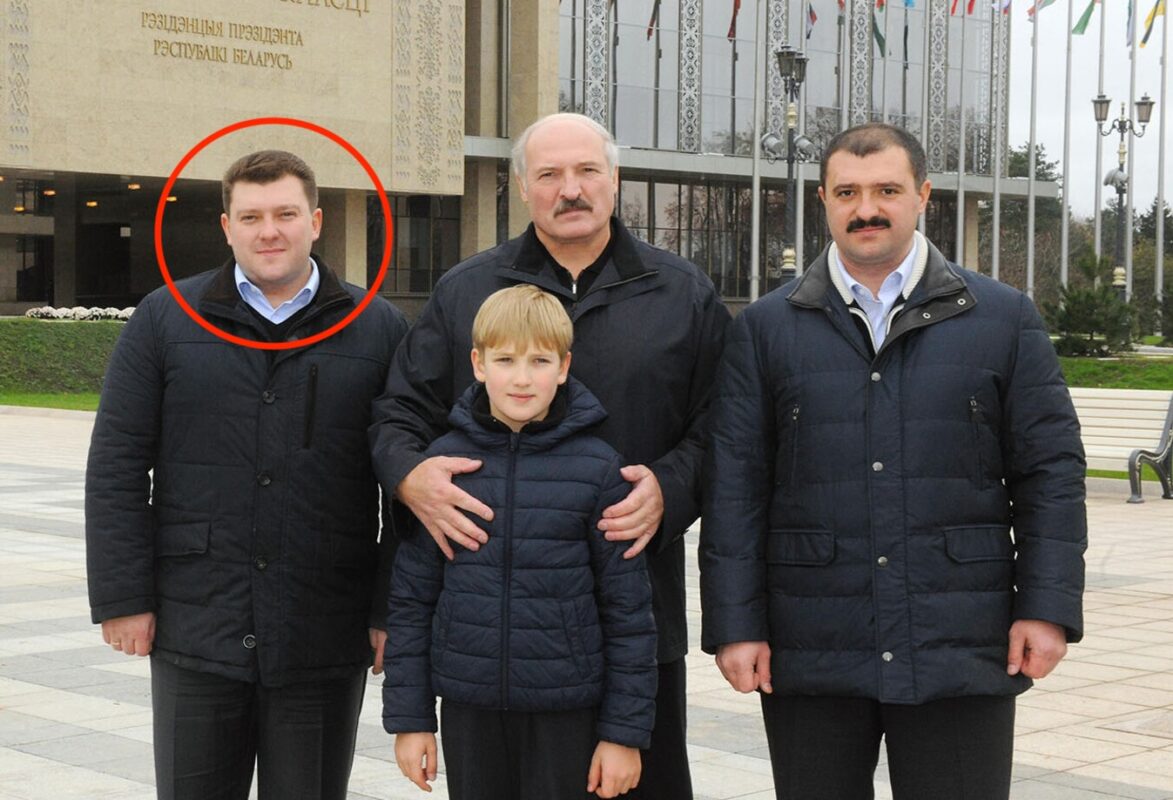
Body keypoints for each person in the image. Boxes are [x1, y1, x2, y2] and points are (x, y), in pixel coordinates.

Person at [699, 123, 1087, 800]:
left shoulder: (1002, 318)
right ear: (823, 200)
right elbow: (735, 486)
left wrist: (1047, 607)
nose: (866, 209)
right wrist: (736, 625)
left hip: (960, 639)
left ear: (923, 196)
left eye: (886, 190)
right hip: (810, 641)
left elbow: (1049, 473)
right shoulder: (765, 328)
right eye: (847, 192)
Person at [370, 112, 729, 799]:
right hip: (490, 644)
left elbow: (725, 422)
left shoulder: (682, 293)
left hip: (635, 618)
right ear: (521, 188)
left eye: (587, 171)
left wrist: (670, 485)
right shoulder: (466, 290)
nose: (571, 189)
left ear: (614, 180)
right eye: (550, 175)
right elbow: (398, 412)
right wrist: (411, 476)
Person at [85, 150, 409, 800]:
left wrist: (390, 609)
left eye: (285, 214)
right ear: (226, 226)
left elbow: (405, 484)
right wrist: (123, 597)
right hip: (196, 624)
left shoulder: (379, 329)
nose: (270, 231)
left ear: (315, 221)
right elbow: (117, 462)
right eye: (252, 216)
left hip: (323, 627)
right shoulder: (165, 319)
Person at [383, 284, 657, 799]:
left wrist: (623, 733)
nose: (523, 378)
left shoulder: (599, 470)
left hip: (566, 712)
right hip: (470, 709)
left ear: (564, 366)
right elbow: (412, 602)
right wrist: (410, 719)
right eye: (506, 360)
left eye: (540, 360)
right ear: (479, 364)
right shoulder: (444, 470)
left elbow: (629, 614)